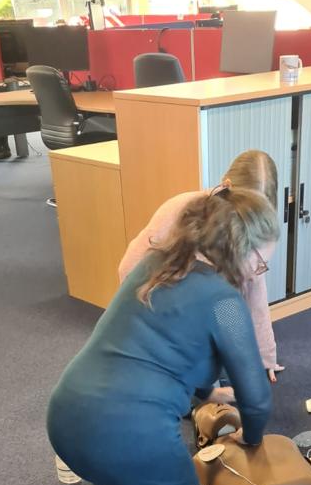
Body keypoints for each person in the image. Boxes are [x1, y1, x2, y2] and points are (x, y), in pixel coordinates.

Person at [48, 185, 278, 485]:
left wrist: (208, 396)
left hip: (66, 418)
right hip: (129, 431)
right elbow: (256, 395)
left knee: (135, 473)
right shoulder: (225, 303)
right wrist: (251, 440)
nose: (257, 272)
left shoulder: (156, 264)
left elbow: (156, 347)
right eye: (260, 261)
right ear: (238, 249)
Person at [118, 150, 283, 389]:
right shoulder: (182, 209)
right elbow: (128, 269)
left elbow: (255, 288)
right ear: (228, 189)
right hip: (160, 308)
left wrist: (265, 356)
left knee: (234, 363)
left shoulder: (250, 233)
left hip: (201, 308)